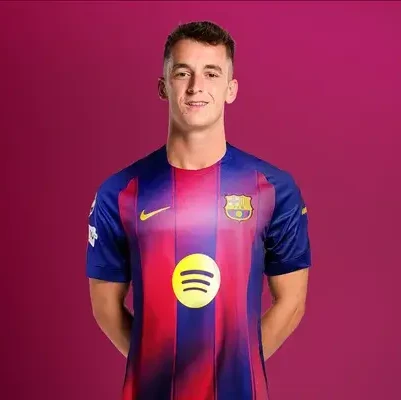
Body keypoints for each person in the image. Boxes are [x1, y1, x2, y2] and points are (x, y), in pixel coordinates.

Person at [86, 20, 311, 400]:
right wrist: (160, 368)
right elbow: (105, 307)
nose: (195, 87)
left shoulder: (274, 189)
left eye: (211, 73)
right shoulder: (119, 193)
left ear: (230, 89)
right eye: (182, 73)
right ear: (163, 86)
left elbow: (292, 302)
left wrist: (235, 368)